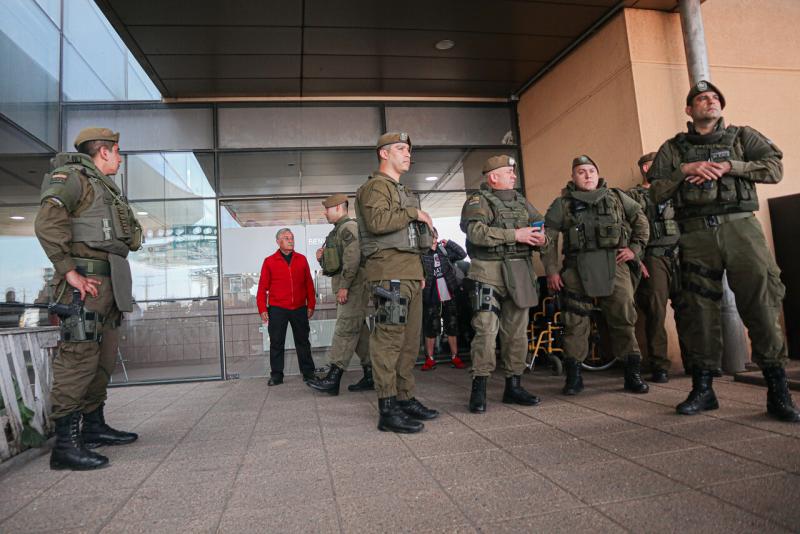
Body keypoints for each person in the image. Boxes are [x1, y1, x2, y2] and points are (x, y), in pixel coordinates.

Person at [647, 80, 798, 422]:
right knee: (697, 308)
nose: (709, 101)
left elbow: (774, 168)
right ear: (689, 109)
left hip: (741, 228)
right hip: (696, 234)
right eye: (701, 98)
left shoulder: (744, 137)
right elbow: (655, 191)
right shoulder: (673, 148)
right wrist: (685, 170)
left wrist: (733, 166)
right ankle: (704, 389)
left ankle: (778, 390)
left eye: (715, 98)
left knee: (762, 300)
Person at [35, 127, 142, 470]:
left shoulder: (104, 186)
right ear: (105, 151)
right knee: (78, 358)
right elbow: (47, 224)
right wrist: (69, 272)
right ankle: (65, 446)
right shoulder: (72, 178)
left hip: (108, 283)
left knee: (103, 358)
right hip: (86, 283)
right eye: (118, 151)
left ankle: (94, 426)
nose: (121, 158)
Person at [542, 155, 650, 396]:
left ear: (598, 173)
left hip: (616, 265)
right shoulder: (562, 204)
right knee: (574, 323)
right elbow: (548, 238)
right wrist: (551, 270)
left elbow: (641, 221)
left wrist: (634, 249)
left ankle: (632, 374)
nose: (588, 175)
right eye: (581, 171)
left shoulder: (617, 197)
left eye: (591, 170)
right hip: (576, 269)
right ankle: (574, 377)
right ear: (573, 176)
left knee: (624, 317)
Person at [356, 132, 439, 433]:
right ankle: (387, 408)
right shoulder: (375, 187)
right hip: (388, 272)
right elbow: (378, 223)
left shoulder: (400, 190)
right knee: (389, 340)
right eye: (401, 149)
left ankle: (405, 399)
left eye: (409, 150)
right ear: (383, 153)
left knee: (408, 342)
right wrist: (415, 213)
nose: (408, 154)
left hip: (408, 272)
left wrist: (420, 268)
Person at [460, 155, 547, 413]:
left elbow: (541, 228)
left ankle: (514, 386)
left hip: (520, 271)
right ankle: (480, 388)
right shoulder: (478, 201)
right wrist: (515, 234)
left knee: (517, 333)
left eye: (513, 171)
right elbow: (476, 233)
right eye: (508, 171)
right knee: (486, 331)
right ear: (493, 177)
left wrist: (543, 239)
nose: (514, 176)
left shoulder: (521, 202)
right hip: (488, 272)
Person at [307, 194, 374, 395]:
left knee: (345, 330)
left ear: (338, 208)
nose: (325, 212)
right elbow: (335, 264)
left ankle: (333, 378)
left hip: (352, 288)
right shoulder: (337, 231)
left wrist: (344, 286)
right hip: (348, 287)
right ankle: (372, 374)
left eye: (327, 208)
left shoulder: (348, 228)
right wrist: (321, 259)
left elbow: (353, 260)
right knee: (359, 332)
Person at [627, 152, 683, 382]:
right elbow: (628, 230)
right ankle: (659, 364)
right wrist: (638, 260)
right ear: (645, 169)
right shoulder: (634, 196)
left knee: (689, 308)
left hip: (680, 254)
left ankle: (696, 361)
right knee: (655, 311)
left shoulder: (676, 192)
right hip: (653, 256)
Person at [256, 228, 317, 386]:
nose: (291, 240)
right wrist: (262, 308)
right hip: (277, 308)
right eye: (286, 238)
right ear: (278, 241)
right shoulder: (269, 261)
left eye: (292, 237)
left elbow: (309, 285)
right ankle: (277, 375)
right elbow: (262, 287)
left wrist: (311, 304)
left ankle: (308, 372)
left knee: (303, 341)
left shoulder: (301, 259)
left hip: (299, 308)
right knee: (276, 342)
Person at [420, 227, 467, 371]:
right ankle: (430, 359)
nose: (433, 239)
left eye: (434, 236)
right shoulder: (422, 254)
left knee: (452, 326)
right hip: (431, 295)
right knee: (431, 328)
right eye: (430, 236)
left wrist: (449, 243)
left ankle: (455, 356)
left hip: (448, 293)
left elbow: (462, 254)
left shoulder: (444, 251)